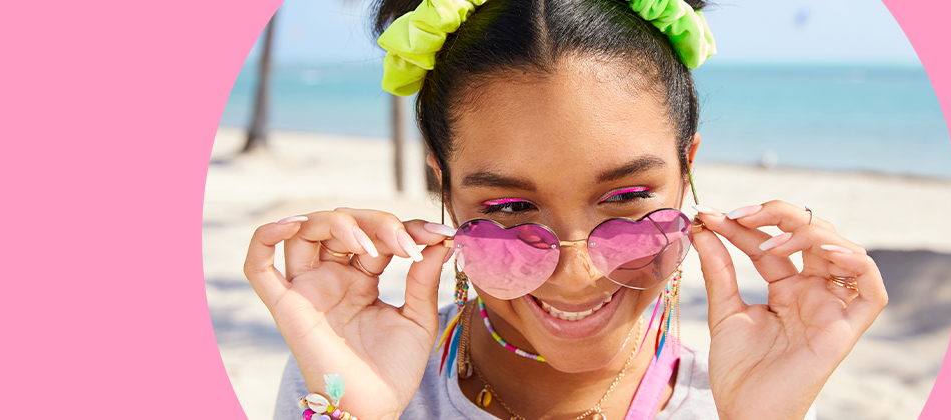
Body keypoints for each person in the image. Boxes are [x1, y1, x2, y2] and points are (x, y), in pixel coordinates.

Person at [243, 0, 888, 418]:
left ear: (688, 168)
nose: (577, 274)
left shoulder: (747, 399)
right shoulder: (345, 372)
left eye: (630, 199)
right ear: (441, 179)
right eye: (510, 207)